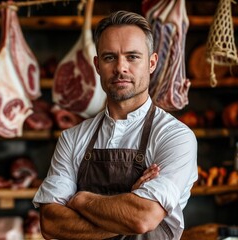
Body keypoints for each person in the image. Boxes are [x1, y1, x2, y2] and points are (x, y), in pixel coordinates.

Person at [32, 10, 198, 240]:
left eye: (132, 57)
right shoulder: (72, 138)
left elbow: (143, 218)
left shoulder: (175, 137)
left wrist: (81, 200)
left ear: (151, 63)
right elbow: (51, 223)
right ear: (97, 65)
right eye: (110, 57)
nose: (121, 68)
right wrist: (127, 204)